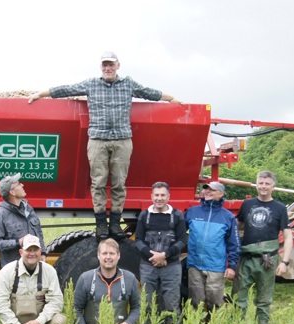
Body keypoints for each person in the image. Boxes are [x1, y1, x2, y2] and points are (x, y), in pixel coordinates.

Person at [28, 51, 181, 241]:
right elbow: (66, 89)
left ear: (118, 65)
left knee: (119, 182)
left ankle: (115, 223)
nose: (107, 68)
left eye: (111, 65)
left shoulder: (128, 84)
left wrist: (171, 99)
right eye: (104, 65)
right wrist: (40, 94)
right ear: (101, 67)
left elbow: (149, 92)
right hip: (97, 140)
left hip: (122, 140)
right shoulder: (91, 84)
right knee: (98, 182)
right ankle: (101, 223)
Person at [232, 170, 293, 324]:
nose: (263, 187)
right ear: (256, 184)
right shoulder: (247, 205)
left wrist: (284, 262)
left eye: (267, 184)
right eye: (260, 183)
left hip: (267, 260)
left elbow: (288, 237)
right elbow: (236, 227)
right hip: (246, 259)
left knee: (264, 301)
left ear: (273, 186)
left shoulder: (280, 208)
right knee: (238, 299)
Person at [0, 234, 67, 324]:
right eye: (28, 250)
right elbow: (0, 306)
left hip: (41, 322)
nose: (32, 253)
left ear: (40, 251)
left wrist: (39, 323)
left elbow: (56, 302)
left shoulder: (49, 271)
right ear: (21, 252)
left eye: (35, 249)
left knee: (61, 321)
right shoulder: (6, 272)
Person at [133, 182, 187, 324]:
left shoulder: (177, 216)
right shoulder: (144, 216)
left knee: (172, 303)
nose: (159, 198)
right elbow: (138, 240)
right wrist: (153, 257)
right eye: (156, 195)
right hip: (147, 266)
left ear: (168, 196)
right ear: (151, 196)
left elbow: (182, 240)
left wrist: (165, 255)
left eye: (163, 195)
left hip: (171, 266)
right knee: (147, 303)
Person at [73, 238, 141, 324]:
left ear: (118, 256)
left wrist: (129, 323)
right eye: (104, 253)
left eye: (112, 253)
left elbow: (137, 307)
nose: (108, 257)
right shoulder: (86, 279)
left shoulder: (130, 279)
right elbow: (76, 310)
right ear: (98, 255)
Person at [184, 181, 240, 313]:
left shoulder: (228, 217)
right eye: (206, 189)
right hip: (194, 265)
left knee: (215, 302)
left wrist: (232, 266)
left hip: (215, 266)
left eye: (212, 190)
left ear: (221, 193)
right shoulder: (192, 212)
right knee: (196, 302)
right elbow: (179, 233)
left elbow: (234, 244)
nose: (207, 191)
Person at [0, 173, 45, 266]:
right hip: (14, 270)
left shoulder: (28, 209)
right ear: (12, 192)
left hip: (35, 268)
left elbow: (38, 233)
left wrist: (43, 253)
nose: (22, 185)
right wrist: (17, 242)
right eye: (18, 184)